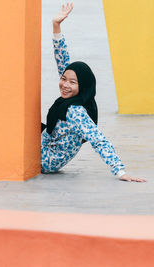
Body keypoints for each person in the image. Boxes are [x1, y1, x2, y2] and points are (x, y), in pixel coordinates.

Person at [41, 3, 146, 182]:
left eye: (72, 82)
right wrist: (56, 25)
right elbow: (62, 59)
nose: (65, 84)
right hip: (47, 144)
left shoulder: (75, 111)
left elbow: (99, 140)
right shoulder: (76, 98)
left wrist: (120, 171)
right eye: (63, 79)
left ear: (83, 86)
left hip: (46, 158)